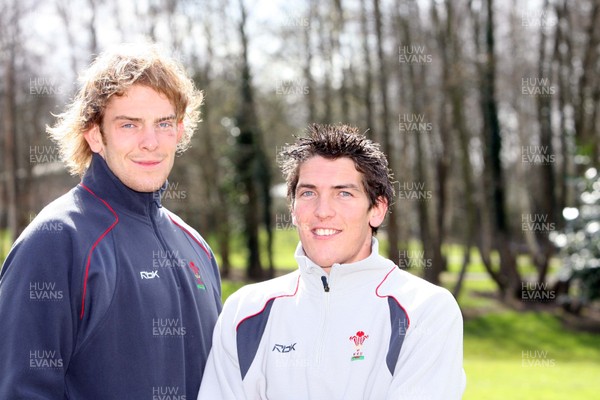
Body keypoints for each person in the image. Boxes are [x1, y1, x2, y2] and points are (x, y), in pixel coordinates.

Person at [0, 44, 222, 399]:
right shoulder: (56, 241)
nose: (150, 142)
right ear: (94, 134)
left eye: (163, 123)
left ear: (179, 131)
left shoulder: (196, 247)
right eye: (129, 124)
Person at [198, 123, 466, 399]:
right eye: (308, 193)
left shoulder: (425, 310)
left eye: (344, 193)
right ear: (293, 209)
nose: (322, 211)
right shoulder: (245, 311)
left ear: (377, 210)